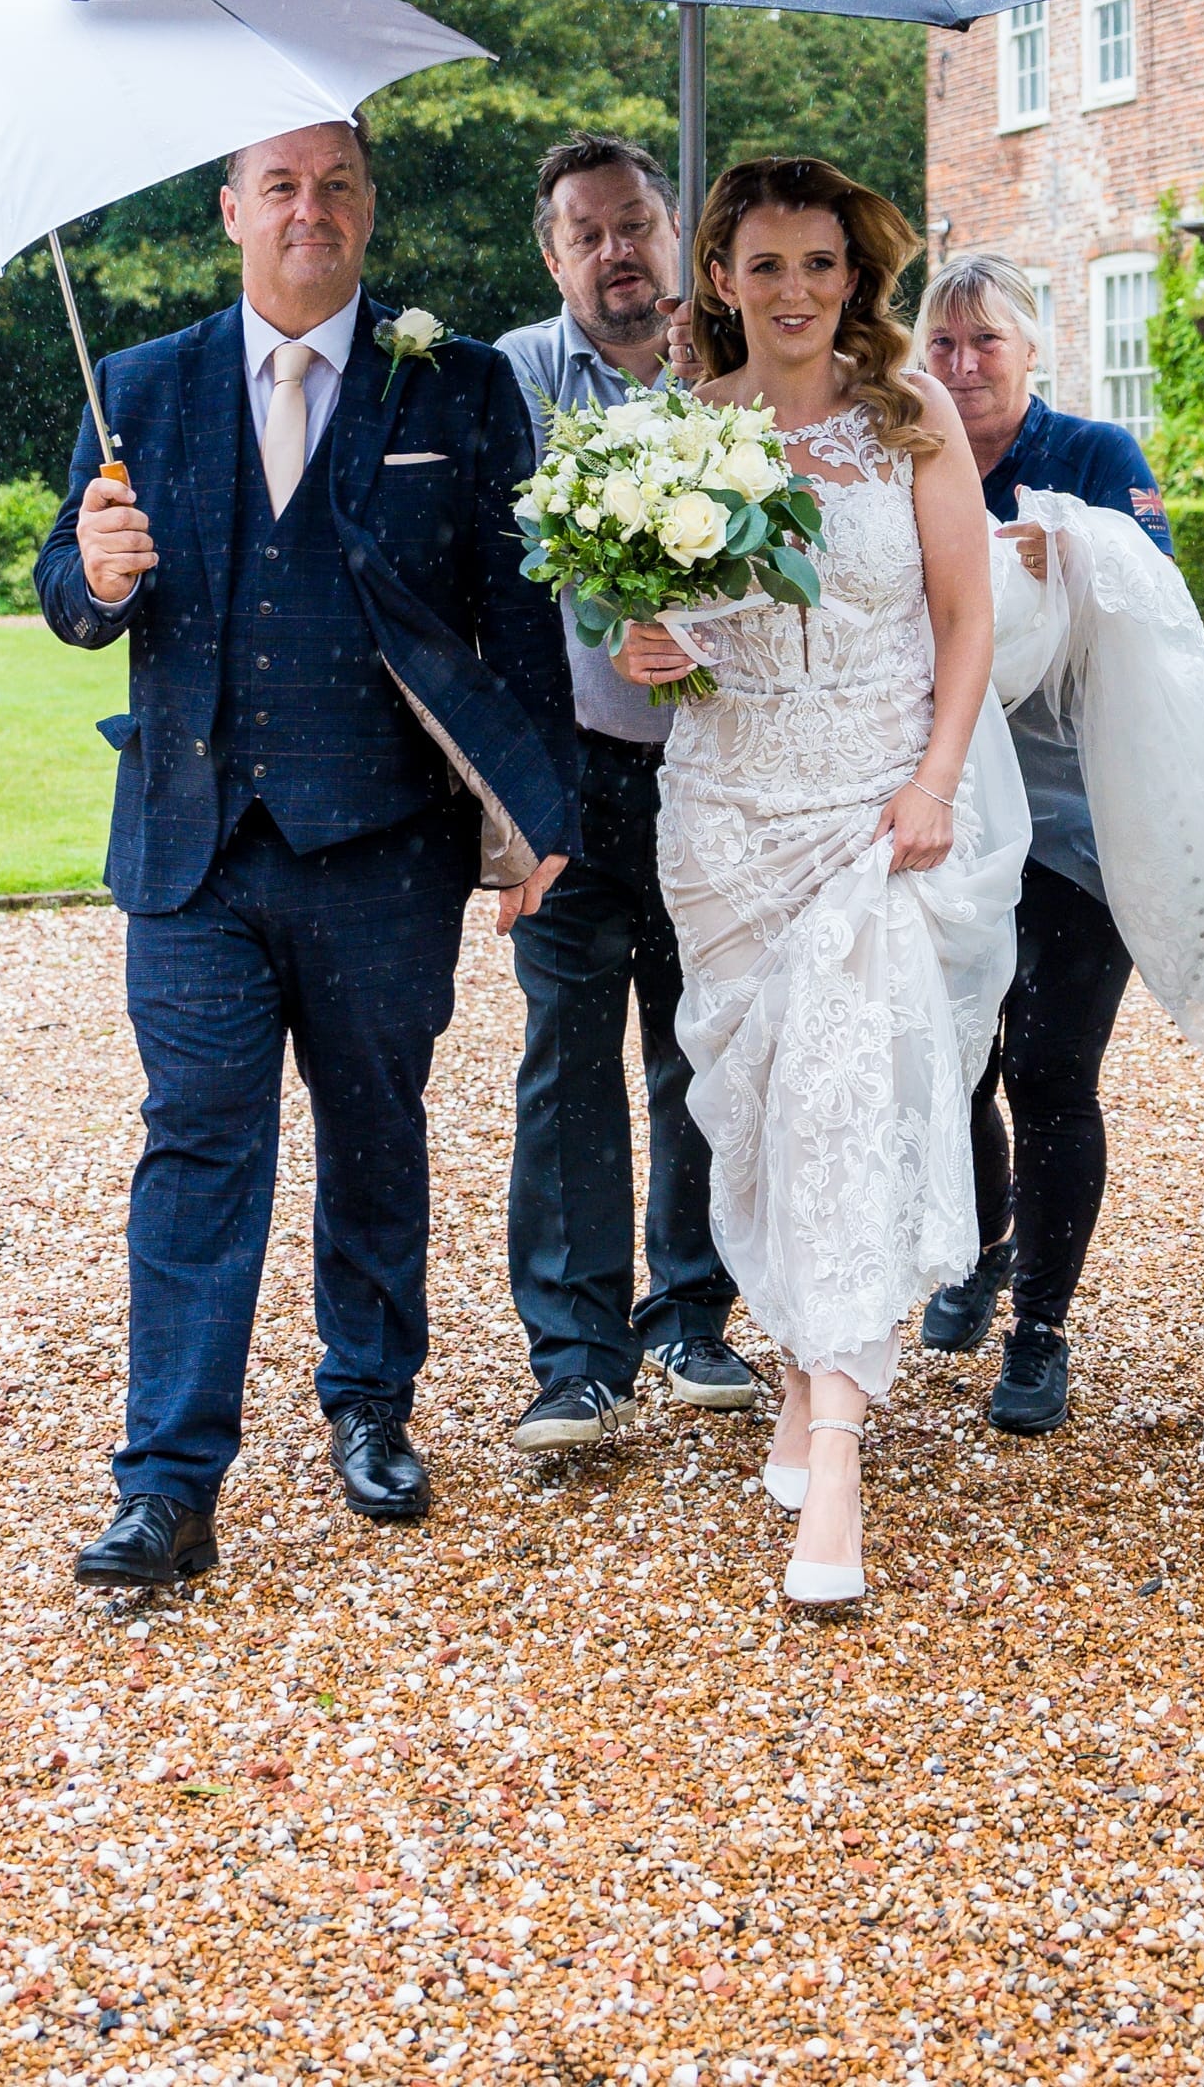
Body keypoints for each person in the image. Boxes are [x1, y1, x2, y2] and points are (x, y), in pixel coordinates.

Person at [34, 120, 581, 1592]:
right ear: (229, 209)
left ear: (368, 206)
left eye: (336, 185)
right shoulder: (134, 387)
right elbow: (69, 595)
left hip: (383, 841)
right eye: (280, 185)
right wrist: (89, 575)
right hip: (194, 847)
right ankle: (166, 1484)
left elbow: (517, 615)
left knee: (374, 1125)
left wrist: (543, 815)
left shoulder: (449, 385)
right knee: (199, 1145)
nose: (309, 211)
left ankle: (369, 1404)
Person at [613, 156, 1027, 1610]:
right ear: (720, 275)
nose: (797, 294)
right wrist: (640, 642)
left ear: (859, 275)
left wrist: (931, 784)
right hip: (725, 822)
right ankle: (805, 1370)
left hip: (873, 815)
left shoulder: (911, 426)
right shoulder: (670, 435)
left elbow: (969, 620)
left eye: (823, 265)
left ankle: (838, 1457)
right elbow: (639, 624)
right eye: (767, 266)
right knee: (764, 1122)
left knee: (849, 1094)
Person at [489, 134, 760, 1450]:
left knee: (703, 1043)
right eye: (587, 232)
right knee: (568, 1059)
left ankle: (694, 1314)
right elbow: (494, 571)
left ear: (674, 234)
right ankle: (577, 1353)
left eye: (637, 223)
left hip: (721, 769)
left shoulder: (738, 373)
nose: (617, 251)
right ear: (554, 256)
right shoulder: (516, 379)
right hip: (573, 772)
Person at [911, 252, 1172, 1436]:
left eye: (987, 344)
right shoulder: (903, 453)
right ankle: (983, 1240)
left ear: (1032, 348)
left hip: (1074, 823)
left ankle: (1042, 1325)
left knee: (1051, 1069)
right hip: (947, 811)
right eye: (944, 346)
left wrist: (1071, 556)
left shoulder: (1094, 460)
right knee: (956, 1056)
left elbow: (1161, 606)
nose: (963, 367)